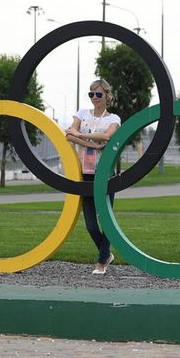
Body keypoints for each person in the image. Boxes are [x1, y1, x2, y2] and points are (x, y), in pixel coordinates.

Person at [66, 79, 121, 275]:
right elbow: (69, 135)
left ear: (107, 96)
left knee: (105, 219)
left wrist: (81, 135)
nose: (94, 98)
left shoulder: (113, 118)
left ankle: (101, 262)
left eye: (98, 94)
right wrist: (93, 145)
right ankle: (106, 254)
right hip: (85, 172)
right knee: (90, 224)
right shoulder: (82, 114)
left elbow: (107, 136)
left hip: (105, 174)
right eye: (91, 94)